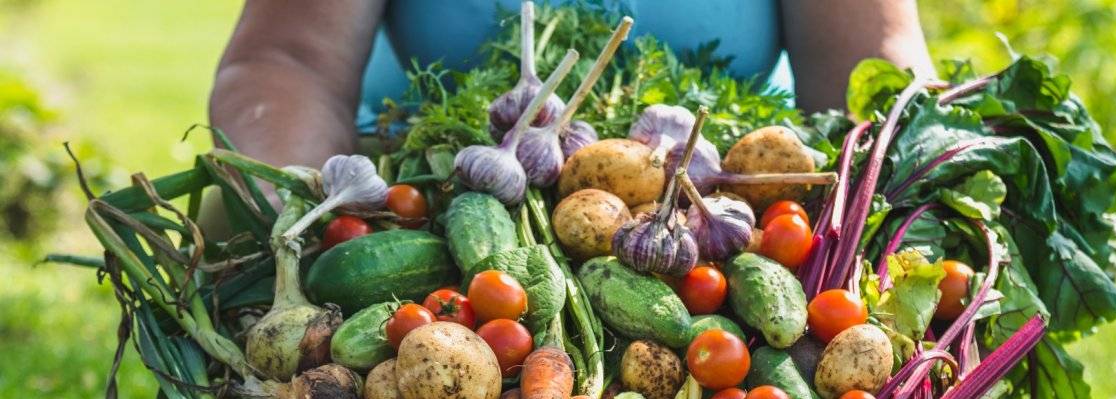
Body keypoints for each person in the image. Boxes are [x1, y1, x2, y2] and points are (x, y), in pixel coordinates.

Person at [210, 0, 933, 170]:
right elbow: (285, 64)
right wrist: (301, 216)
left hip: (718, 201)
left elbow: (873, 73)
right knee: (229, 207)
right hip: (437, 192)